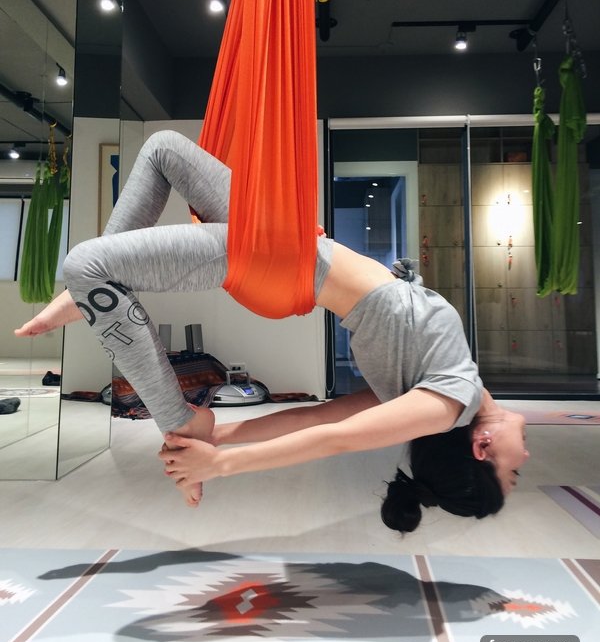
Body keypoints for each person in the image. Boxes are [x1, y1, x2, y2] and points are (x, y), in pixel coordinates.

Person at [15, 130, 529, 532]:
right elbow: (315, 416)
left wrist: (219, 464)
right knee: (163, 151)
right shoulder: (445, 385)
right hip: (295, 241)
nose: (525, 457)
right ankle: (85, 300)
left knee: (85, 267)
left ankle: (171, 411)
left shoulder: (447, 401)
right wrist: (220, 437)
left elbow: (334, 437)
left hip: (280, 266)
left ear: (481, 448)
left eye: (514, 471)